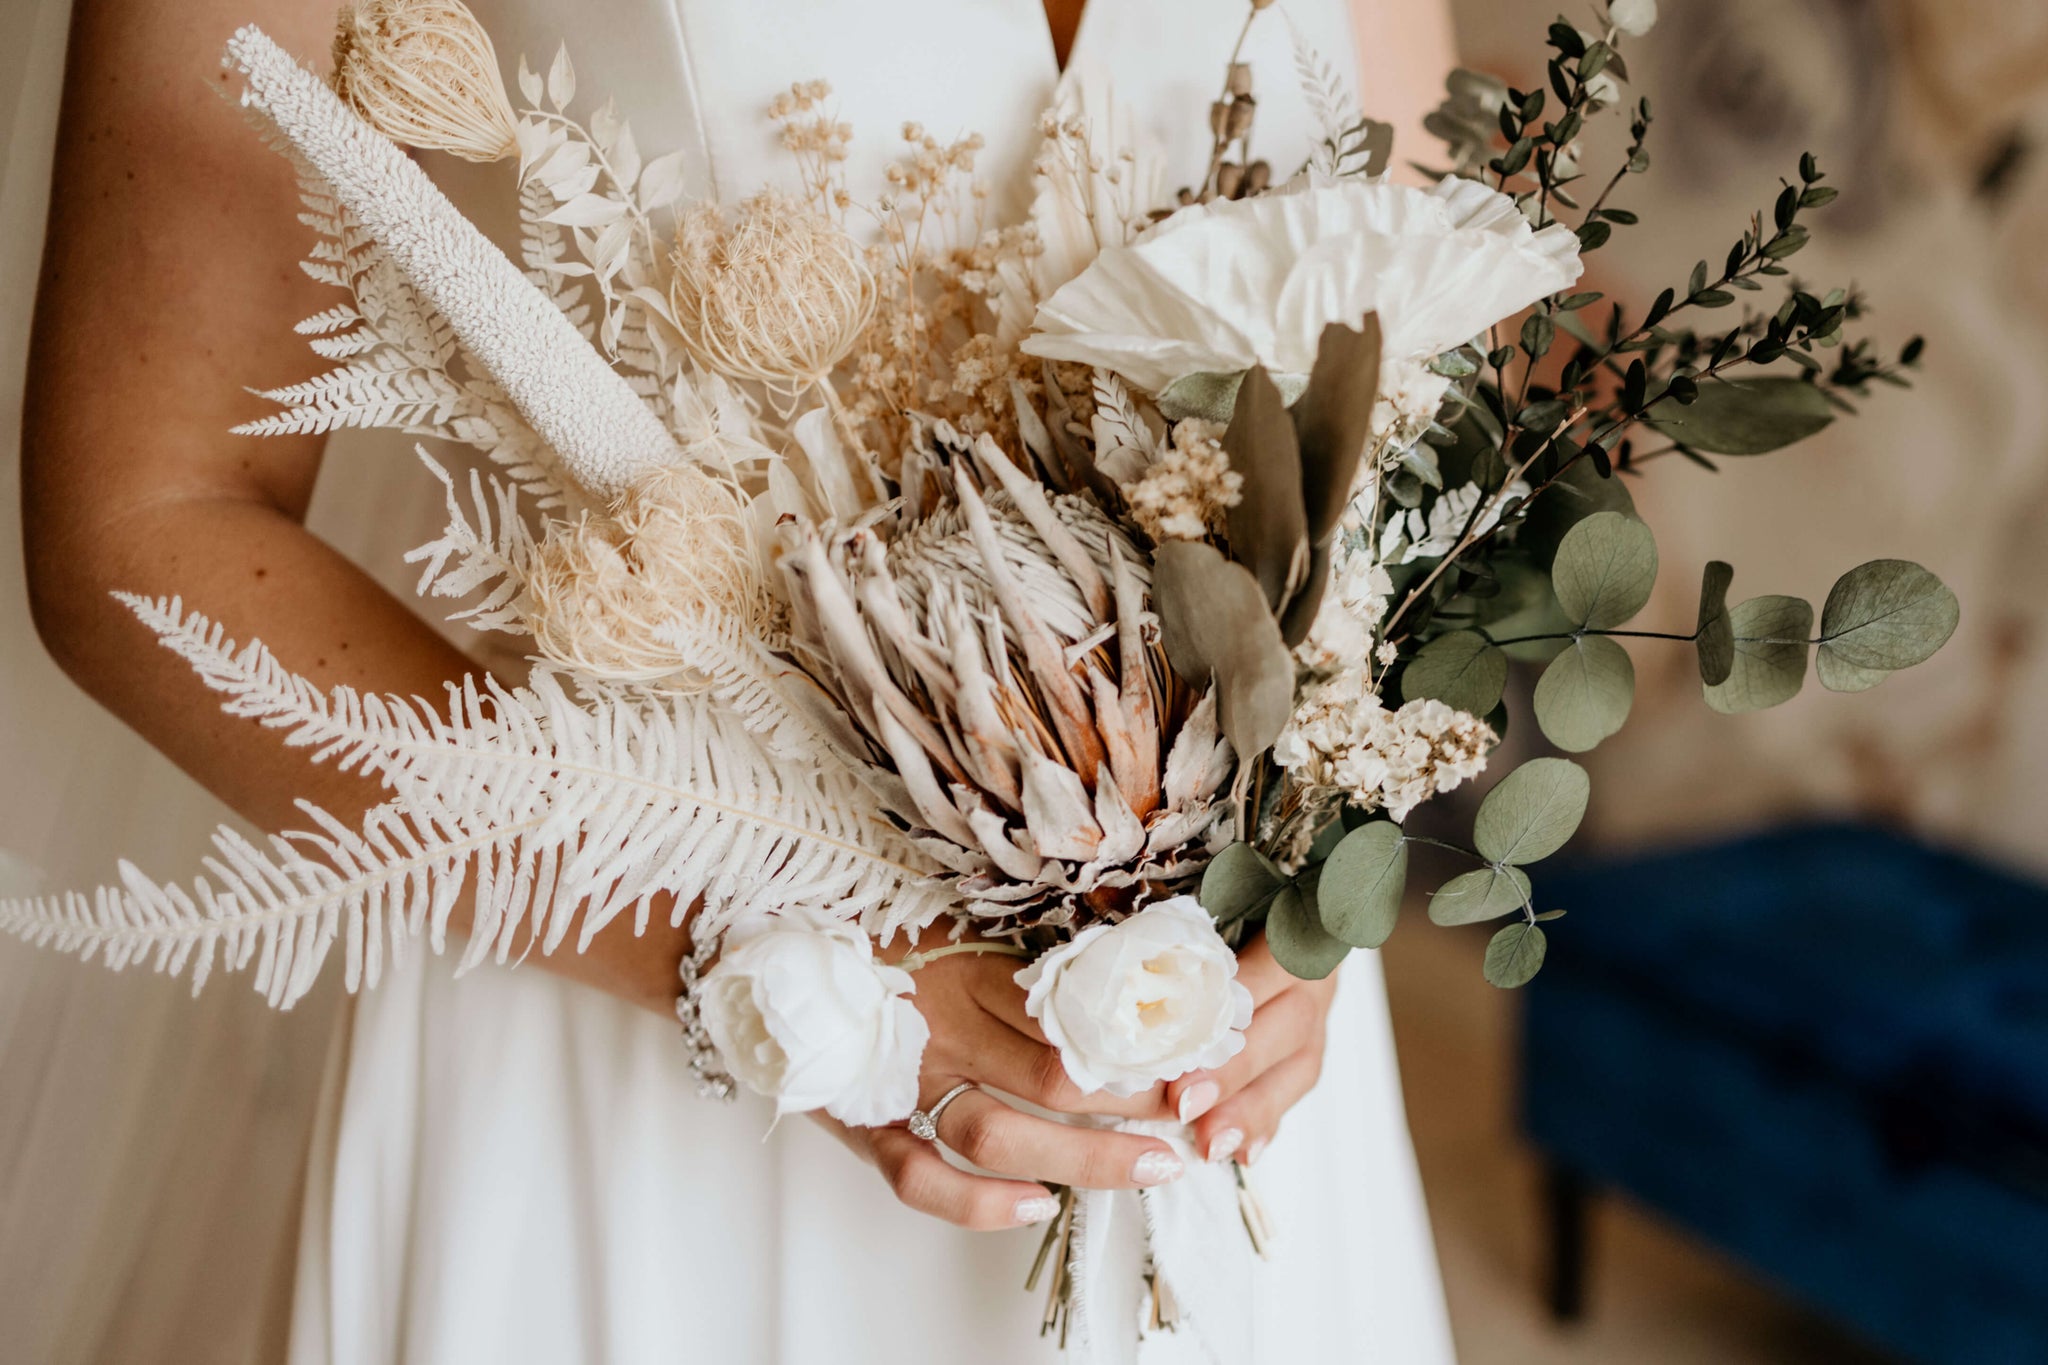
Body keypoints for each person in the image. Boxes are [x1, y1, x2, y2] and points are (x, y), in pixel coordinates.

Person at [4, 0, 1458, 1360]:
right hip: (632, 1028)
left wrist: (1323, 865)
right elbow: (142, 514)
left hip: (1222, 1074)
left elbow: (1433, 344)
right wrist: (775, 972)